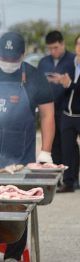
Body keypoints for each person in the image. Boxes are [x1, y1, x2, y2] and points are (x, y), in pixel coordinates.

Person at [0, 32, 54, 262]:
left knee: (17, 205)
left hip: (20, 153)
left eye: (13, 57)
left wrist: (45, 152)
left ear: (23, 54)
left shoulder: (35, 76)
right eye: (4, 56)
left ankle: (13, 257)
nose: (8, 61)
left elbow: (48, 115)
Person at [38, 30, 78, 191]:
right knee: (53, 145)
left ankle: (72, 179)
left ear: (63, 44)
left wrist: (63, 83)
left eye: (55, 48)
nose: (53, 52)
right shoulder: (43, 62)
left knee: (69, 147)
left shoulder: (73, 60)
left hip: (66, 109)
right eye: (50, 49)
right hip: (48, 109)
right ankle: (57, 179)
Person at [58, 34, 80, 193]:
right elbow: (65, 85)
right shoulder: (70, 63)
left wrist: (70, 84)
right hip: (68, 114)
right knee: (68, 150)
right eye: (78, 43)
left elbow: (72, 85)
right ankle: (69, 182)